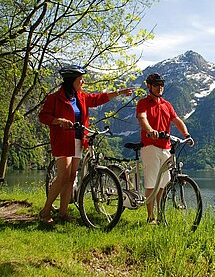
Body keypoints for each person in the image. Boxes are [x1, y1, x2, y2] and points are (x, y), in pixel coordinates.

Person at [39, 65, 134, 225]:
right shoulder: (54, 98)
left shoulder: (81, 97)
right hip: (62, 140)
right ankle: (45, 211)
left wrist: (119, 92)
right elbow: (43, 116)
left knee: (71, 178)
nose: (82, 82)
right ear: (71, 81)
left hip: (77, 140)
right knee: (63, 176)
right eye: (80, 79)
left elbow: (99, 98)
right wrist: (58, 121)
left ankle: (63, 213)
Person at [136, 73, 194, 225]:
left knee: (162, 184)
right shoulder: (143, 103)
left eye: (161, 84)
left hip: (165, 147)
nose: (160, 87)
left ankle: (161, 215)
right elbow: (142, 118)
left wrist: (186, 135)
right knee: (151, 182)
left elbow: (177, 120)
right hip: (150, 146)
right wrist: (149, 130)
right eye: (156, 84)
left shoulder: (167, 105)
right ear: (149, 86)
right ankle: (150, 217)